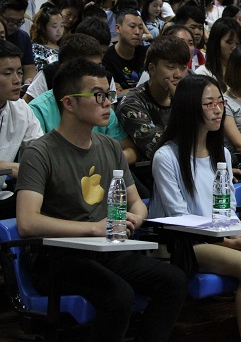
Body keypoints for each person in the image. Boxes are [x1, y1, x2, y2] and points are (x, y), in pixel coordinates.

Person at [16, 58, 187, 342]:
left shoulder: (109, 146)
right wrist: (94, 228)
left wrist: (135, 218)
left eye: (109, 94)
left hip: (104, 250)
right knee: (119, 295)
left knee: (174, 280)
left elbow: (137, 202)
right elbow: (27, 222)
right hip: (58, 258)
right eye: (98, 95)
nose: (108, 103)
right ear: (69, 103)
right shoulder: (40, 152)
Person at [149, 75, 241, 342]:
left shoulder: (222, 153)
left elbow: (229, 209)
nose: (218, 109)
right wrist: (228, 242)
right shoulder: (166, 156)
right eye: (209, 103)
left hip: (218, 238)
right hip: (182, 244)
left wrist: (239, 237)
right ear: (189, 108)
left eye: (220, 102)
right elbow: (179, 218)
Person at [116, 35, 189, 160]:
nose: (178, 74)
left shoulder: (190, 94)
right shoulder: (131, 104)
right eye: (171, 67)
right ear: (152, 69)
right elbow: (161, 152)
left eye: (183, 68)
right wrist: (180, 102)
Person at [0, 40, 43, 219]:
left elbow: (41, 154)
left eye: (19, 72)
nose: (17, 80)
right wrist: (10, 167)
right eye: (7, 73)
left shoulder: (21, 109)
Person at [102, 9, 148, 93]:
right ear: (118, 28)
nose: (137, 32)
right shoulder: (107, 57)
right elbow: (114, 93)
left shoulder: (147, 53)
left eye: (141, 28)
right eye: (132, 26)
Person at [194, 17, 241, 91]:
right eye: (229, 42)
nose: (234, 48)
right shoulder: (202, 74)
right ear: (216, 42)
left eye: (238, 44)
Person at [0, 0, 36, 83]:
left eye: (19, 21)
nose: (15, 26)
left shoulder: (23, 37)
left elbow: (29, 67)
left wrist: (28, 81)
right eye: (10, 21)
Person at [30, 7, 63, 71]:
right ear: (43, 27)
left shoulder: (64, 46)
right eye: (54, 26)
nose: (59, 31)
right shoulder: (37, 48)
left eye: (62, 26)